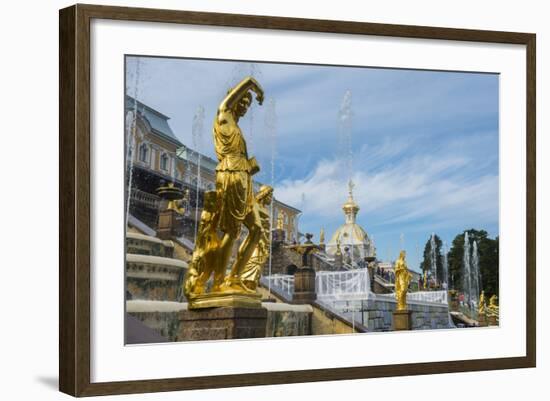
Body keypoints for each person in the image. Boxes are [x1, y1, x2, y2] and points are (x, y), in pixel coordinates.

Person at [212, 76, 265, 292]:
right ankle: (218, 282)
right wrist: (256, 87)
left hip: (244, 177)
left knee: (256, 230)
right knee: (232, 232)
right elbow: (248, 80)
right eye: (242, 102)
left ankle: (234, 277)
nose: (244, 107)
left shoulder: (237, 128)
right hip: (231, 175)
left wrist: (250, 166)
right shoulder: (223, 114)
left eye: (248, 105)